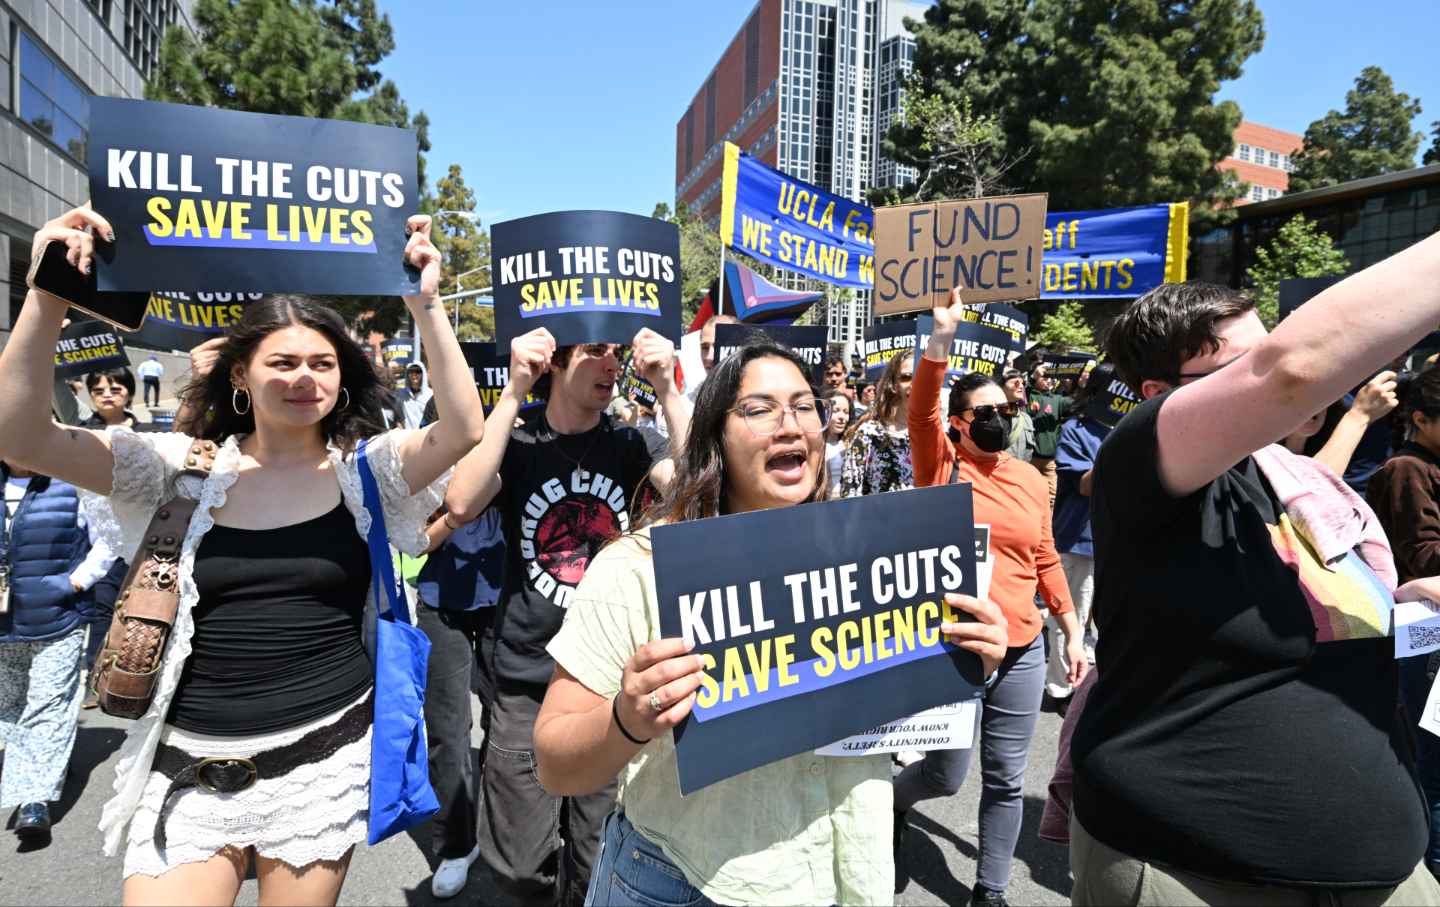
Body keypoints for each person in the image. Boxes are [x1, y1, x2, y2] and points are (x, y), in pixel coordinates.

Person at [0, 206, 485, 905]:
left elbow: (463, 426)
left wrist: (427, 303)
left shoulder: (365, 472)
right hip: (185, 773)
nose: (304, 378)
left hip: (325, 760)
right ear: (241, 376)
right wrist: (45, 294)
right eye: (282, 362)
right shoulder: (174, 466)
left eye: (322, 363)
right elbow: (23, 438)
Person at [530, 337, 1011, 905]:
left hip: (840, 880)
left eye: (805, 405)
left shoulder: (879, 560)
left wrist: (968, 659)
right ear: (715, 433)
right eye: (759, 409)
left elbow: (904, 706)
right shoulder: (640, 567)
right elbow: (556, 765)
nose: (791, 425)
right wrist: (627, 718)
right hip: (683, 881)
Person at [1073, 269, 1440, 906]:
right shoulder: (1135, 461)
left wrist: (1405, 605)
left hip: (1382, 862)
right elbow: (1292, 369)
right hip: (1194, 872)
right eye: (1242, 367)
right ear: (1160, 394)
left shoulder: (1298, 483)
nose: (1308, 390)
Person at [443, 326, 691, 907]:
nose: (611, 364)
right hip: (525, 679)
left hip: (606, 679)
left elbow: (690, 491)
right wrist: (511, 393)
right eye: (594, 352)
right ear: (557, 362)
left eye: (616, 352)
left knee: (596, 855)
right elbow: (459, 501)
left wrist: (670, 390)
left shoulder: (632, 444)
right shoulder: (521, 440)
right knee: (518, 868)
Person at [898, 289, 1086, 906]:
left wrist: (1070, 627)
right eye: (984, 411)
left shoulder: (1030, 477)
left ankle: (991, 889)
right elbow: (920, 410)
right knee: (946, 776)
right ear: (958, 422)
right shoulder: (941, 464)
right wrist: (941, 336)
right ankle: (894, 802)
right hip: (956, 644)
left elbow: (1044, 557)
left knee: (1006, 780)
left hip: (1023, 649)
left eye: (1004, 408)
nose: (998, 418)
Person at [1367, 366, 1440, 881]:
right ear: (1420, 418)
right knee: (1430, 762)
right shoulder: (1407, 469)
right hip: (1425, 633)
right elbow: (1423, 555)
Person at [0, 460, 97, 844]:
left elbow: (110, 538)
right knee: (11, 704)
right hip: (4, 624)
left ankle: (33, 799)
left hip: (58, 618)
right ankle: (47, 762)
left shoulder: (75, 481)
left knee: (48, 703)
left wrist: (77, 581)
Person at [1042, 366, 1114, 703]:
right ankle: (1061, 687)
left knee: (1106, 619)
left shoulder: (1134, 426)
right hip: (1080, 540)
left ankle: (1094, 679)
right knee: (1072, 618)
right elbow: (1084, 486)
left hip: (1119, 540)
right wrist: (1120, 448)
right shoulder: (1076, 430)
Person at [840, 352, 915, 497]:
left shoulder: (936, 436)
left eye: (920, 376)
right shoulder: (868, 434)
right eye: (906, 377)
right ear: (893, 385)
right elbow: (849, 494)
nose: (914, 383)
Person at [1024, 361, 1068, 506]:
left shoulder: (1057, 400)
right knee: (1028, 493)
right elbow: (1022, 388)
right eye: (1044, 377)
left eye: (1051, 378)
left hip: (1050, 461)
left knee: (1052, 497)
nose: (1048, 380)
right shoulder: (1028, 394)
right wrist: (1034, 375)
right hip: (1031, 459)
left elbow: (1076, 403)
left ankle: (1047, 527)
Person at [822, 388, 854, 497]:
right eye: (836, 411)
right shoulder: (815, 447)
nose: (842, 417)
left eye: (846, 412)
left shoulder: (851, 443)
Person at [1000, 367, 1036, 462]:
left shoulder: (1026, 418)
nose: (1021, 386)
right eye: (1016, 383)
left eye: (1022, 383)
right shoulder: (988, 416)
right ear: (1001, 386)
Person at [398, 361, 433, 429]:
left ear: (423, 374)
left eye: (418, 371)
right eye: (411, 371)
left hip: (424, 435)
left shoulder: (430, 395)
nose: (414, 375)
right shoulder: (400, 394)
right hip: (407, 436)